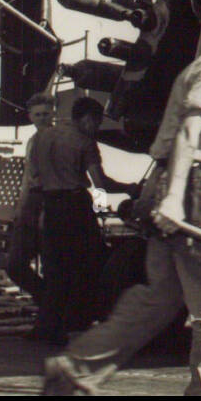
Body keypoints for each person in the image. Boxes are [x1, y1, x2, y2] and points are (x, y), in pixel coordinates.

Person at [44, 0, 201, 396]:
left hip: (169, 184)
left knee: (159, 299)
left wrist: (165, 194)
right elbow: (187, 133)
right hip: (191, 189)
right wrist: (175, 199)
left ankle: (74, 370)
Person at [31, 97, 130, 345]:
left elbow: (35, 177)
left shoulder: (41, 137)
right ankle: (80, 321)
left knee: (54, 268)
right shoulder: (85, 142)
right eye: (96, 122)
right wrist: (132, 188)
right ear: (87, 118)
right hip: (74, 207)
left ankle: (47, 327)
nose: (96, 128)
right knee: (93, 263)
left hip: (49, 206)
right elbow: (101, 184)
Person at [9, 93, 55, 314]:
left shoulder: (59, 139)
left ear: (53, 113)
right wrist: (20, 208)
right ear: (30, 117)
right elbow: (28, 177)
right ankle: (46, 299)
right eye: (38, 115)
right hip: (30, 205)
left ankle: (49, 312)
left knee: (51, 264)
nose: (42, 118)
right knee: (15, 265)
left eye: (46, 113)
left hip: (50, 205)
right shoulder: (32, 141)